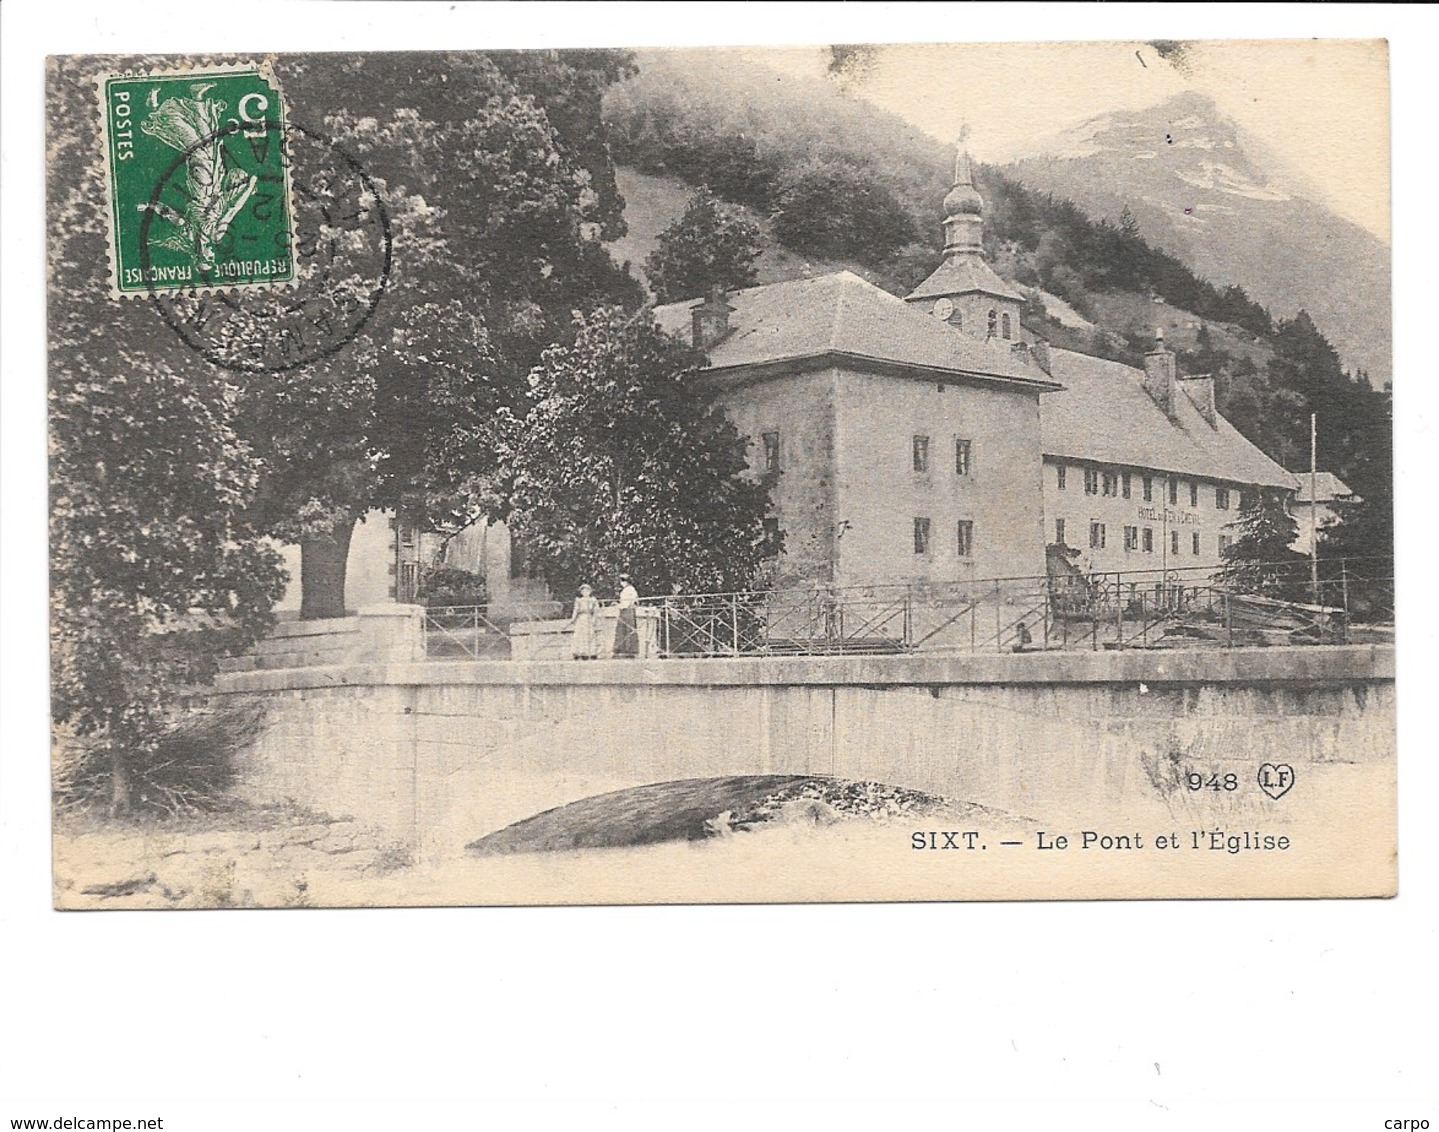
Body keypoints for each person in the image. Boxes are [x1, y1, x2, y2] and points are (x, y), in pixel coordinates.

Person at [568, 584, 601, 660]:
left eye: (587, 590)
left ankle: (591, 652)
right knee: (580, 634)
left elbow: (596, 610)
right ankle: (580, 652)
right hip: (581, 618)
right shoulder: (579, 600)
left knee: (589, 634)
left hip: (589, 618)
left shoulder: (593, 600)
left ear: (590, 591)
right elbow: (576, 610)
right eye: (583, 591)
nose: (585, 592)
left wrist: (594, 619)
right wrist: (573, 619)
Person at [614, 573, 640, 657]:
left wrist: (618, 605)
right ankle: (623, 649)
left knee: (628, 629)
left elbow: (627, 602)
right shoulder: (625, 590)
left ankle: (630, 650)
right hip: (624, 610)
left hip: (627, 611)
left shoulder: (630, 589)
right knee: (622, 629)